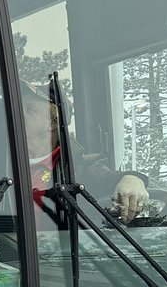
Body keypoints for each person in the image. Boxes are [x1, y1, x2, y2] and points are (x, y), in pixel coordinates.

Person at [21, 85, 151, 223]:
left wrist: (132, 180)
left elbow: (105, 178)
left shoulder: (77, 167)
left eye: (30, 110)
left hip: (53, 243)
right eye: (18, 107)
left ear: (53, 122)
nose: (17, 114)